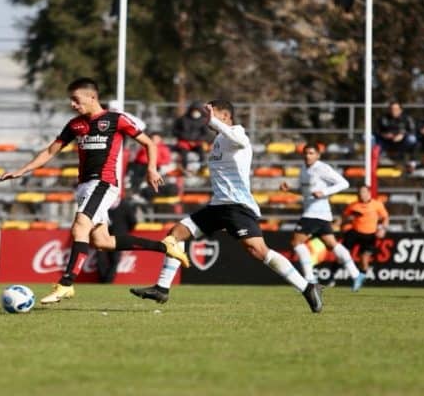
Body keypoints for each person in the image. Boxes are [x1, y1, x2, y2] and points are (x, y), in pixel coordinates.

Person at [0, 77, 190, 304]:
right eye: (71, 100)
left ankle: (66, 284)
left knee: (80, 226)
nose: (72, 104)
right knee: (102, 242)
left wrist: (151, 169)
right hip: (84, 186)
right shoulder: (75, 125)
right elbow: (51, 151)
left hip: (104, 183)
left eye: (76, 100)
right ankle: (165, 246)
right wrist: (23, 170)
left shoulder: (116, 120)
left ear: (92, 97)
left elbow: (149, 143)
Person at [130, 100, 324, 313]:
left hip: (237, 206)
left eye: (211, 114)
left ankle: (307, 288)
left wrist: (215, 121)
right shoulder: (219, 139)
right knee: (175, 234)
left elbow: (240, 140)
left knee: (258, 251)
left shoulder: (237, 133)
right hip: (218, 205)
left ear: (225, 116)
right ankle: (162, 287)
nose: (207, 119)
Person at [279, 144, 364, 289]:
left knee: (296, 243)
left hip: (314, 214)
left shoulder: (321, 168)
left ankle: (310, 278)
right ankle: (356, 274)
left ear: (318, 155)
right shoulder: (304, 169)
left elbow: (344, 183)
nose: (308, 156)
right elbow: (306, 191)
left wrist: (324, 192)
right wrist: (291, 190)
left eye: (311, 153)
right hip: (320, 214)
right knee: (332, 244)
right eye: (306, 153)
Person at [341, 184, 389, 290]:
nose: (361, 194)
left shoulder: (377, 205)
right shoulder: (353, 205)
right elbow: (344, 217)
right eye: (359, 192)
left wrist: (383, 229)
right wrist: (344, 222)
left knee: (364, 260)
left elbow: (385, 217)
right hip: (354, 233)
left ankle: (359, 280)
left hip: (370, 235)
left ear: (368, 193)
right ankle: (331, 278)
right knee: (341, 254)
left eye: (363, 192)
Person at [97, 198, 138, 283]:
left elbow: (133, 221)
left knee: (113, 259)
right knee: (102, 259)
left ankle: (107, 281)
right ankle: (103, 280)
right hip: (104, 236)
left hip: (117, 237)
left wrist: (125, 231)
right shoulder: (102, 205)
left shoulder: (125, 205)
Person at [173, 101, 212, 171]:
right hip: (184, 142)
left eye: (197, 110)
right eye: (194, 110)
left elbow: (206, 134)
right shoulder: (182, 119)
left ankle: (202, 167)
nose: (196, 112)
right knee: (183, 154)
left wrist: (197, 140)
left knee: (202, 152)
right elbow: (175, 131)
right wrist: (186, 138)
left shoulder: (203, 121)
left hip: (198, 143)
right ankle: (184, 168)